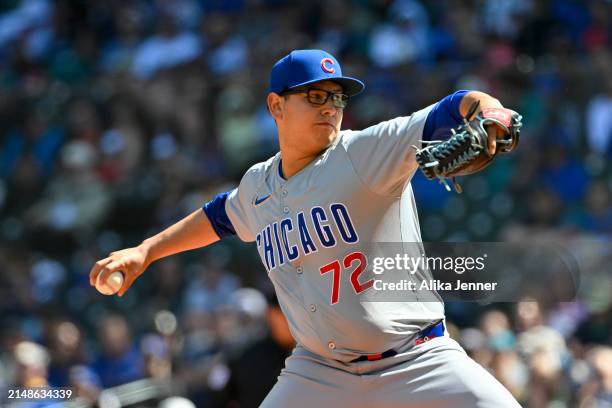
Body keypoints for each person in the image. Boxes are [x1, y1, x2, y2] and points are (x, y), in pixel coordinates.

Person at [90, 49, 521, 407]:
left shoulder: (364, 152)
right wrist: (146, 251)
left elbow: (457, 105)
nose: (331, 106)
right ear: (276, 106)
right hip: (320, 372)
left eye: (337, 97)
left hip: (416, 359)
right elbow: (219, 216)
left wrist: (492, 112)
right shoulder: (258, 183)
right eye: (315, 96)